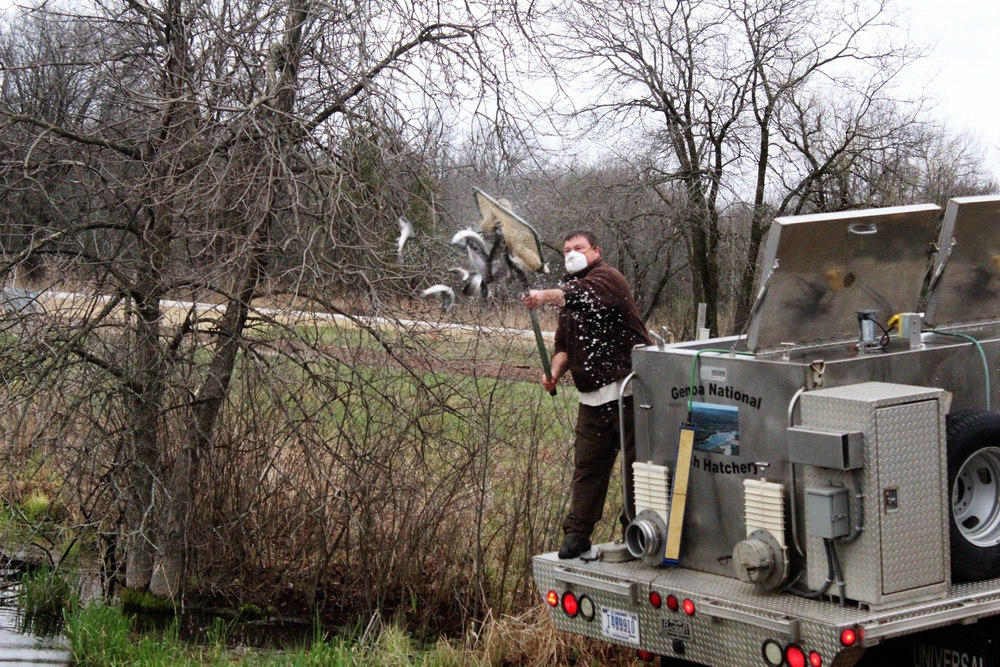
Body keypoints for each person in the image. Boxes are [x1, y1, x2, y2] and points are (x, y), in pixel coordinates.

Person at [521, 230, 652, 559]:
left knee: (638, 468)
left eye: (578, 248)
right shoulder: (569, 299)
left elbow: (577, 294)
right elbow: (563, 347)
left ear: (596, 250)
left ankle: (639, 532)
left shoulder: (608, 279)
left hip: (631, 393)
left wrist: (543, 295)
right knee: (588, 469)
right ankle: (578, 534)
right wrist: (554, 372)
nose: (571, 253)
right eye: (566, 250)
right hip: (592, 399)